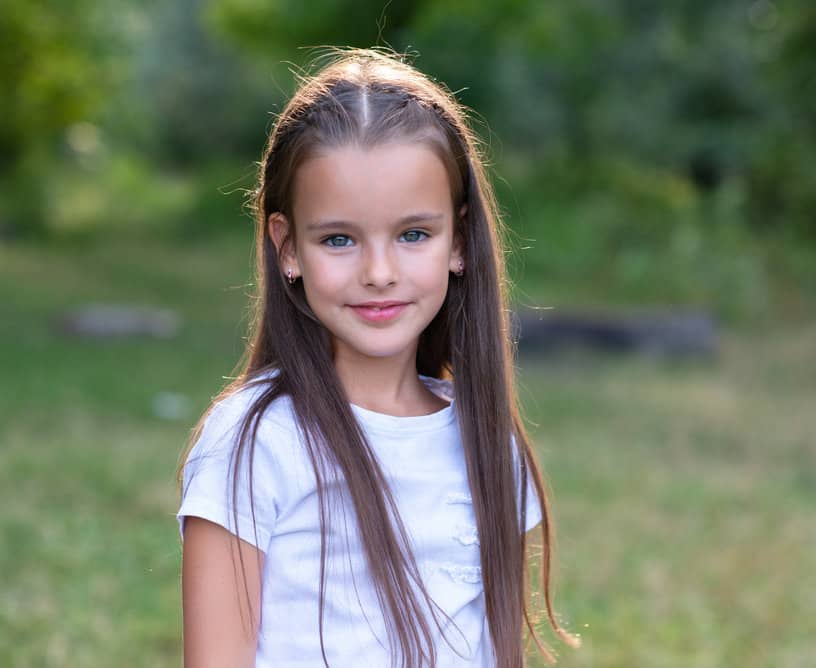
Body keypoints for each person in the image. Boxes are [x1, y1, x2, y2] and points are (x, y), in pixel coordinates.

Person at [176, 48, 576, 667]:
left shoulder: (486, 441)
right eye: (339, 239)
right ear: (287, 248)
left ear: (459, 240)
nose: (380, 273)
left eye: (413, 234)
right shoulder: (257, 443)